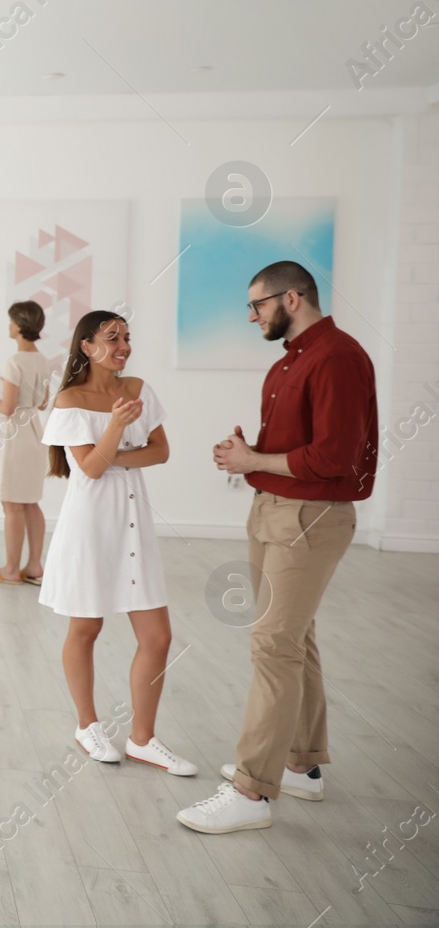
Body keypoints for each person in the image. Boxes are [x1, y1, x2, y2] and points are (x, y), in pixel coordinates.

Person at [178, 261, 377, 835]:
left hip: (309, 519)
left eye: (258, 305)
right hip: (274, 511)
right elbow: (301, 446)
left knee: (273, 646)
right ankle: (302, 765)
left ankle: (251, 792)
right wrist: (253, 453)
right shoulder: (291, 361)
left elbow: (334, 458)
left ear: (292, 297)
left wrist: (253, 461)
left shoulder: (336, 356)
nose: (251, 316)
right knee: (295, 637)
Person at [39, 310, 196, 776]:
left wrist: (112, 454)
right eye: (112, 338)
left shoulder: (139, 389)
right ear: (87, 347)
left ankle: (143, 739)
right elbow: (86, 468)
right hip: (90, 525)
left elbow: (161, 451)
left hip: (133, 522)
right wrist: (114, 430)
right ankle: (87, 725)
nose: (123, 345)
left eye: (127, 336)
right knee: (86, 630)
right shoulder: (70, 399)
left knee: (158, 636)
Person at [0, 300, 51, 585]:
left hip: (13, 437)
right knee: (31, 502)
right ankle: (34, 567)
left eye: (12, 321)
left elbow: (8, 407)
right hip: (34, 431)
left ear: (20, 326)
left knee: (11, 505)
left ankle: (11, 569)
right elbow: (43, 402)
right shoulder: (43, 361)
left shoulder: (13, 362)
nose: (9, 326)